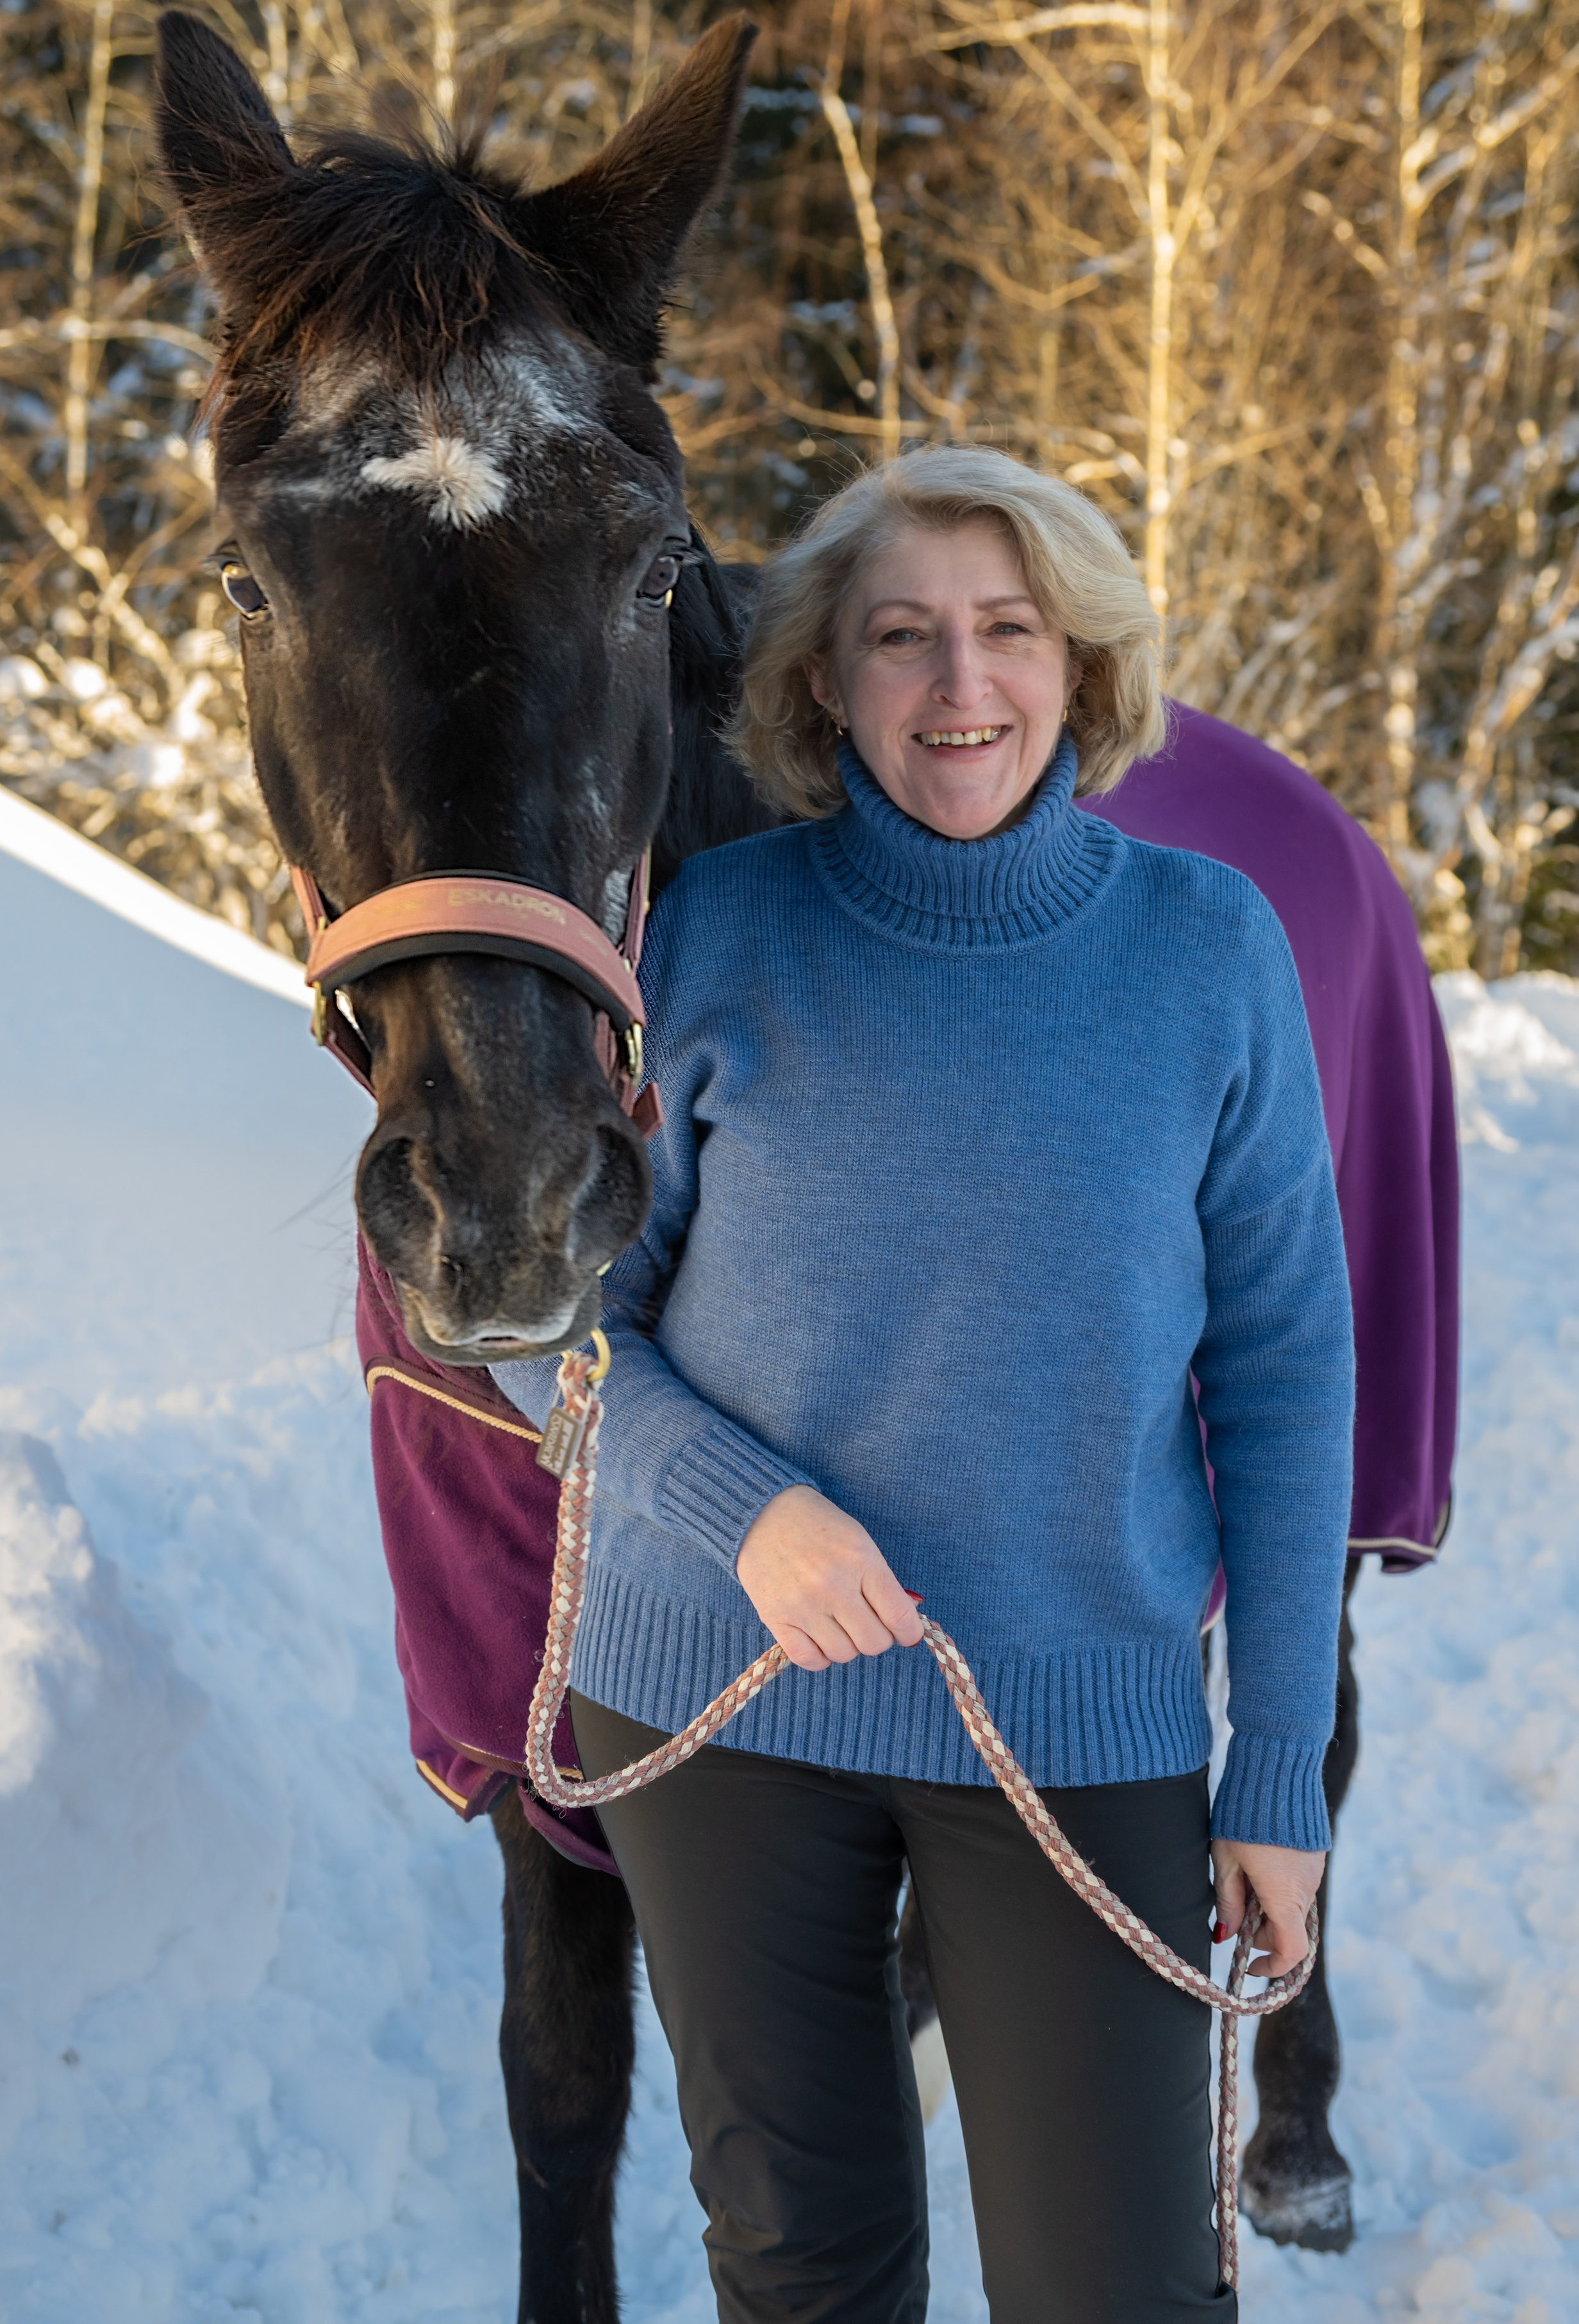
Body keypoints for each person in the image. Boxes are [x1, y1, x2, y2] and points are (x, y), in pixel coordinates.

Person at [494, 445, 1355, 2321]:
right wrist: (751, 1518)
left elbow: (1291, 1371)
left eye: (1007, 632)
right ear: (821, 677)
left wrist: (1278, 1769)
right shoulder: (712, 934)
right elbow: (554, 1329)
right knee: (808, 2273)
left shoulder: (1210, 956)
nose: (960, 689)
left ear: (1083, 666)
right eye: (902, 638)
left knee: (1114, 2289)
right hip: (717, 1702)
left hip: (1071, 1710)